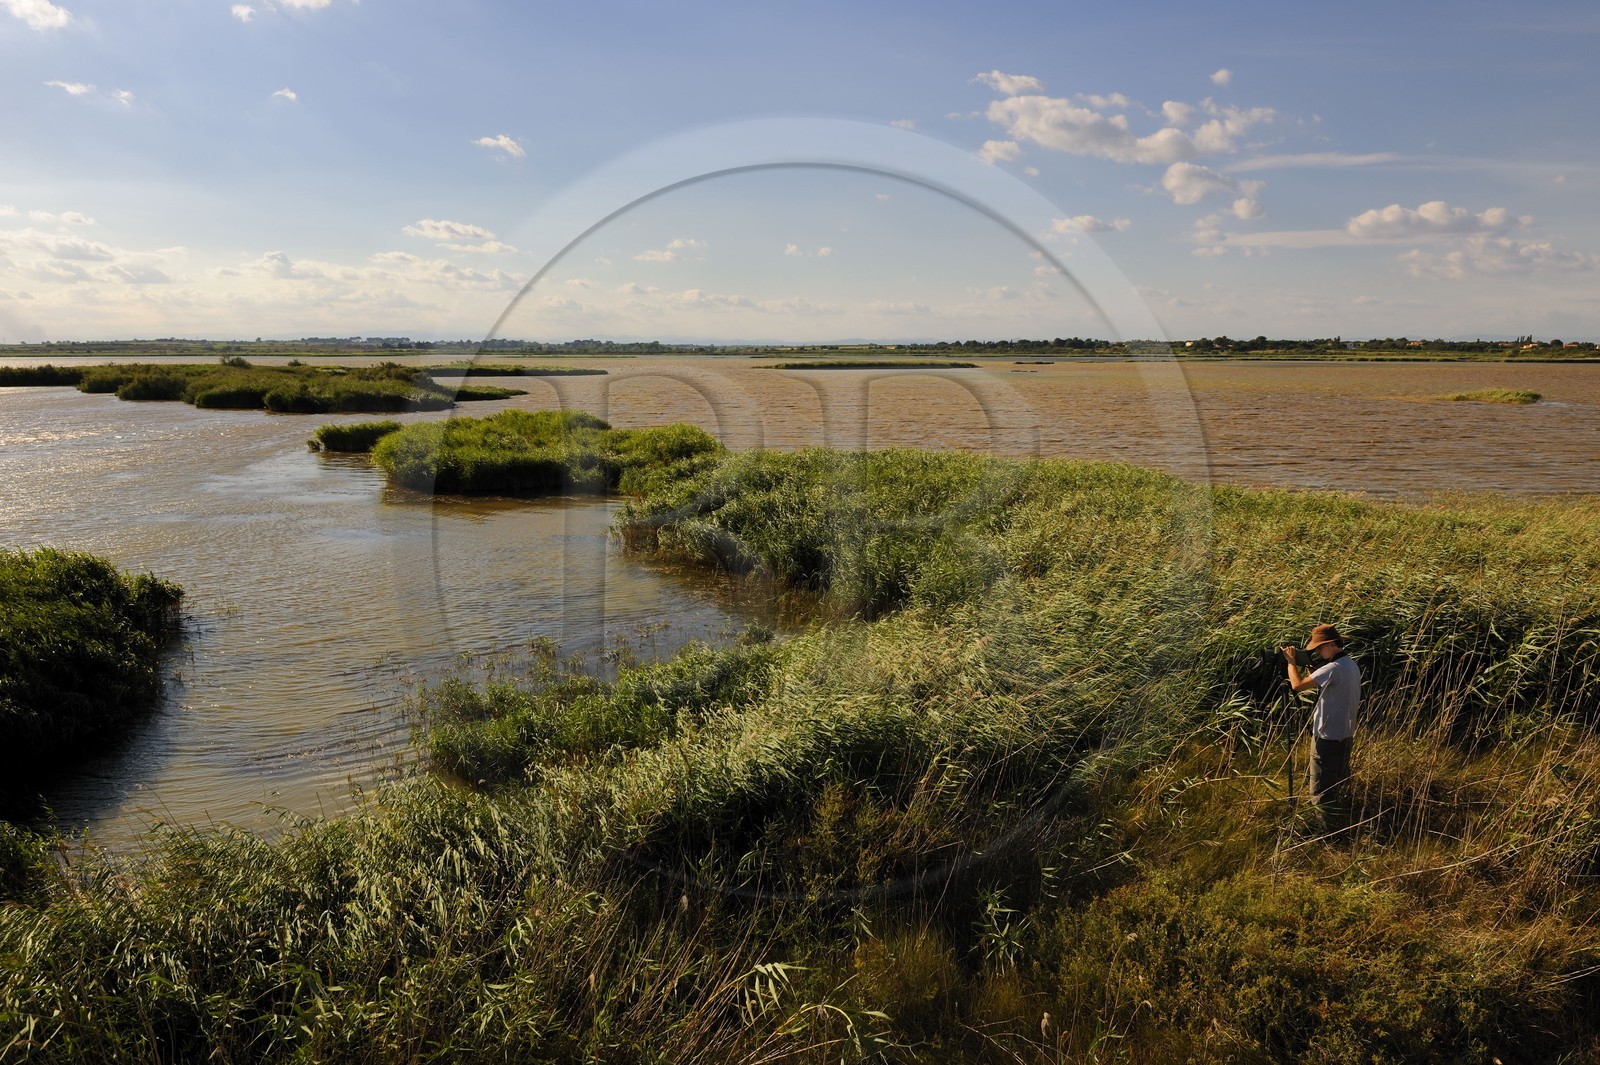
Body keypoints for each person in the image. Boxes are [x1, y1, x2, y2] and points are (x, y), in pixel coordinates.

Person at [1282, 623, 1361, 820]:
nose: (1317, 651)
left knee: (1320, 792)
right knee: (1336, 784)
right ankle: (1341, 823)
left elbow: (1297, 685)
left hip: (1327, 738)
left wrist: (1291, 663)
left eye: (1319, 647)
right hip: (1345, 735)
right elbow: (1332, 687)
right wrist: (1314, 672)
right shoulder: (1351, 665)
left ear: (1332, 644)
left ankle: (1326, 831)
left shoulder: (1332, 668)